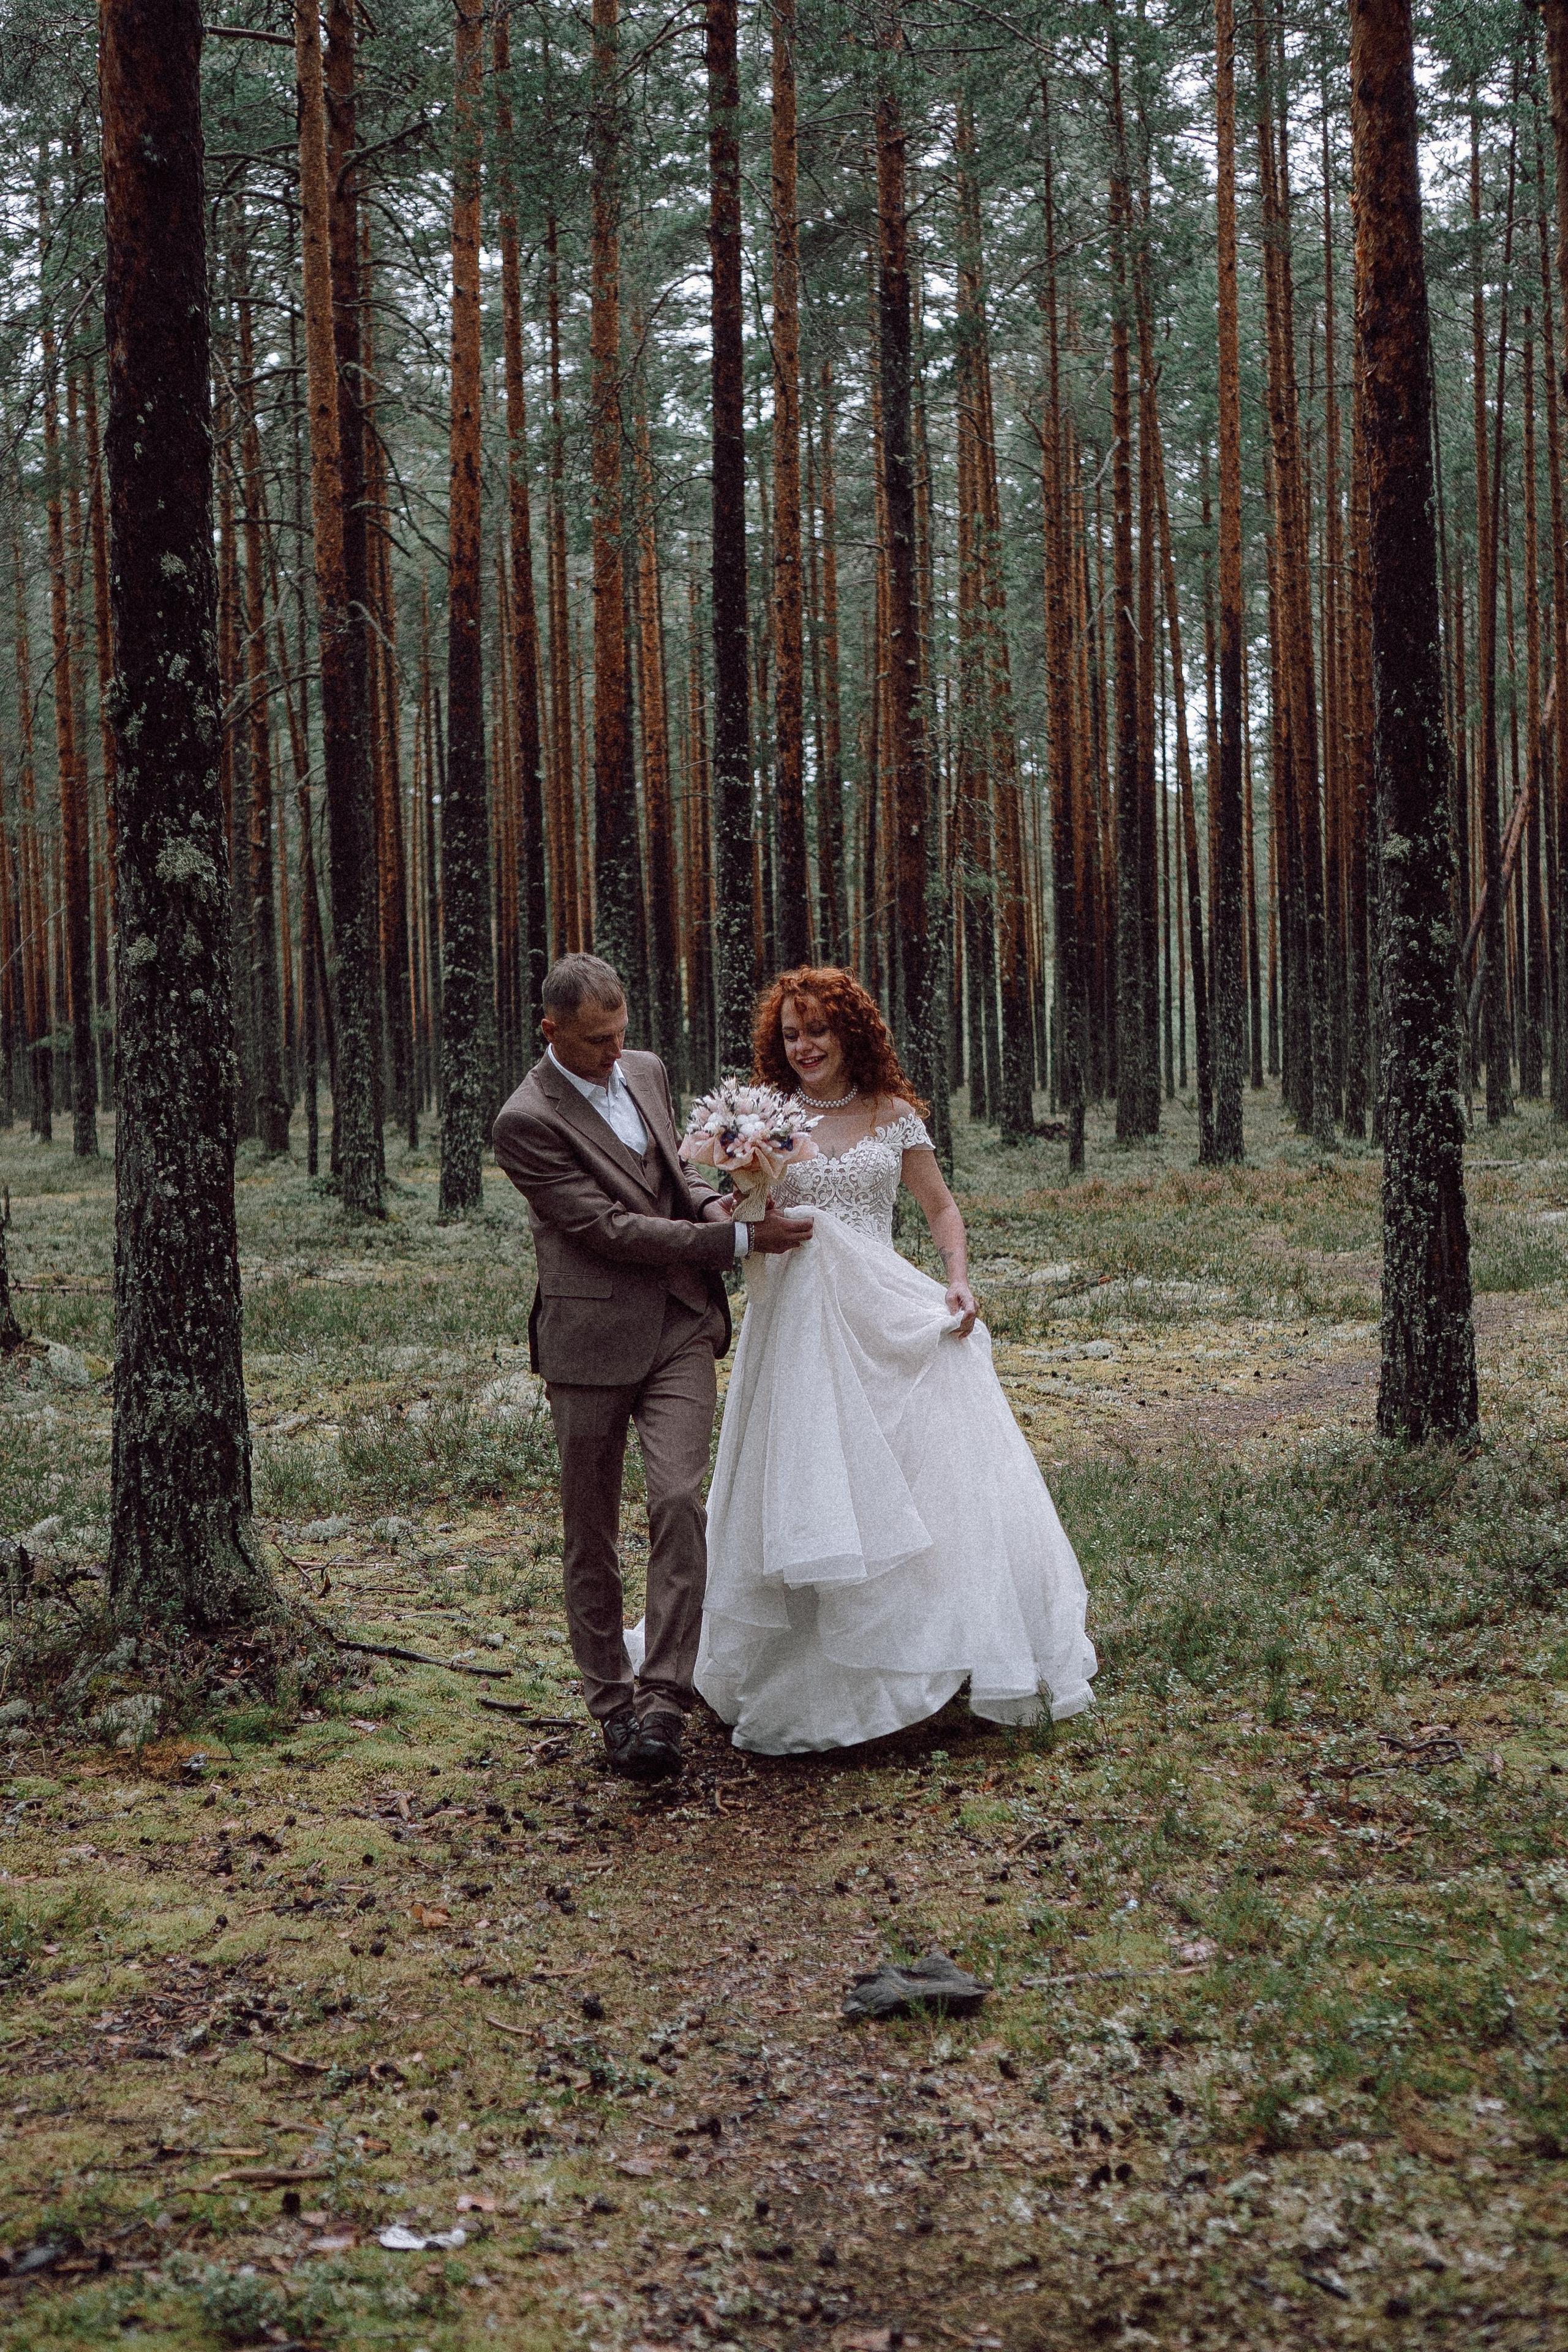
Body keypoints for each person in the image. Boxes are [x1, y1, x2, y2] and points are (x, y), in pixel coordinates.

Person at [693, 965, 1096, 1755]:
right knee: (813, 1478)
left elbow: (940, 1208)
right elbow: (747, 1218)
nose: (805, 1047)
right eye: (791, 1034)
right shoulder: (764, 1117)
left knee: (913, 1480)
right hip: (800, 1323)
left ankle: (927, 1646)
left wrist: (957, 1279)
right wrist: (746, 1187)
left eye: (818, 1030)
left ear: (852, 1032)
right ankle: (807, 1662)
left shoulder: (893, 1114)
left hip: (881, 1310)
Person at [491, 953, 812, 1782]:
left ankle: (666, 1696)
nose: (613, 1053)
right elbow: (608, 1230)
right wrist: (736, 1239)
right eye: (596, 1042)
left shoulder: (647, 1070)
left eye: (620, 1035)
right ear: (550, 1030)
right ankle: (612, 1705)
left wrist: (722, 1203)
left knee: (677, 1499)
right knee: (590, 1529)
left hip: (679, 1323)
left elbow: (673, 1184)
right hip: (589, 1343)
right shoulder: (524, 1120)